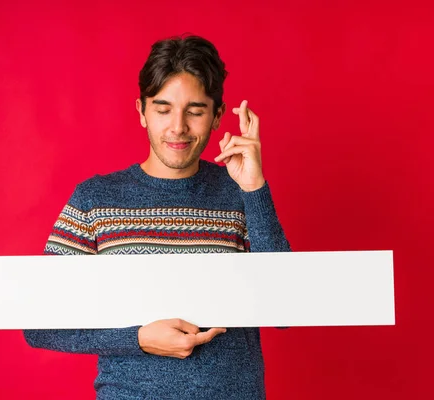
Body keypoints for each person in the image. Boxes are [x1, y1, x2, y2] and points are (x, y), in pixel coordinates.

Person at [23, 34, 291, 399]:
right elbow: (39, 325)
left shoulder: (239, 192)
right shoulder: (95, 200)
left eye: (195, 111)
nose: (177, 127)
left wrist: (255, 189)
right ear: (141, 111)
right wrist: (137, 339)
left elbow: (286, 309)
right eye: (163, 109)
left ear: (216, 116)